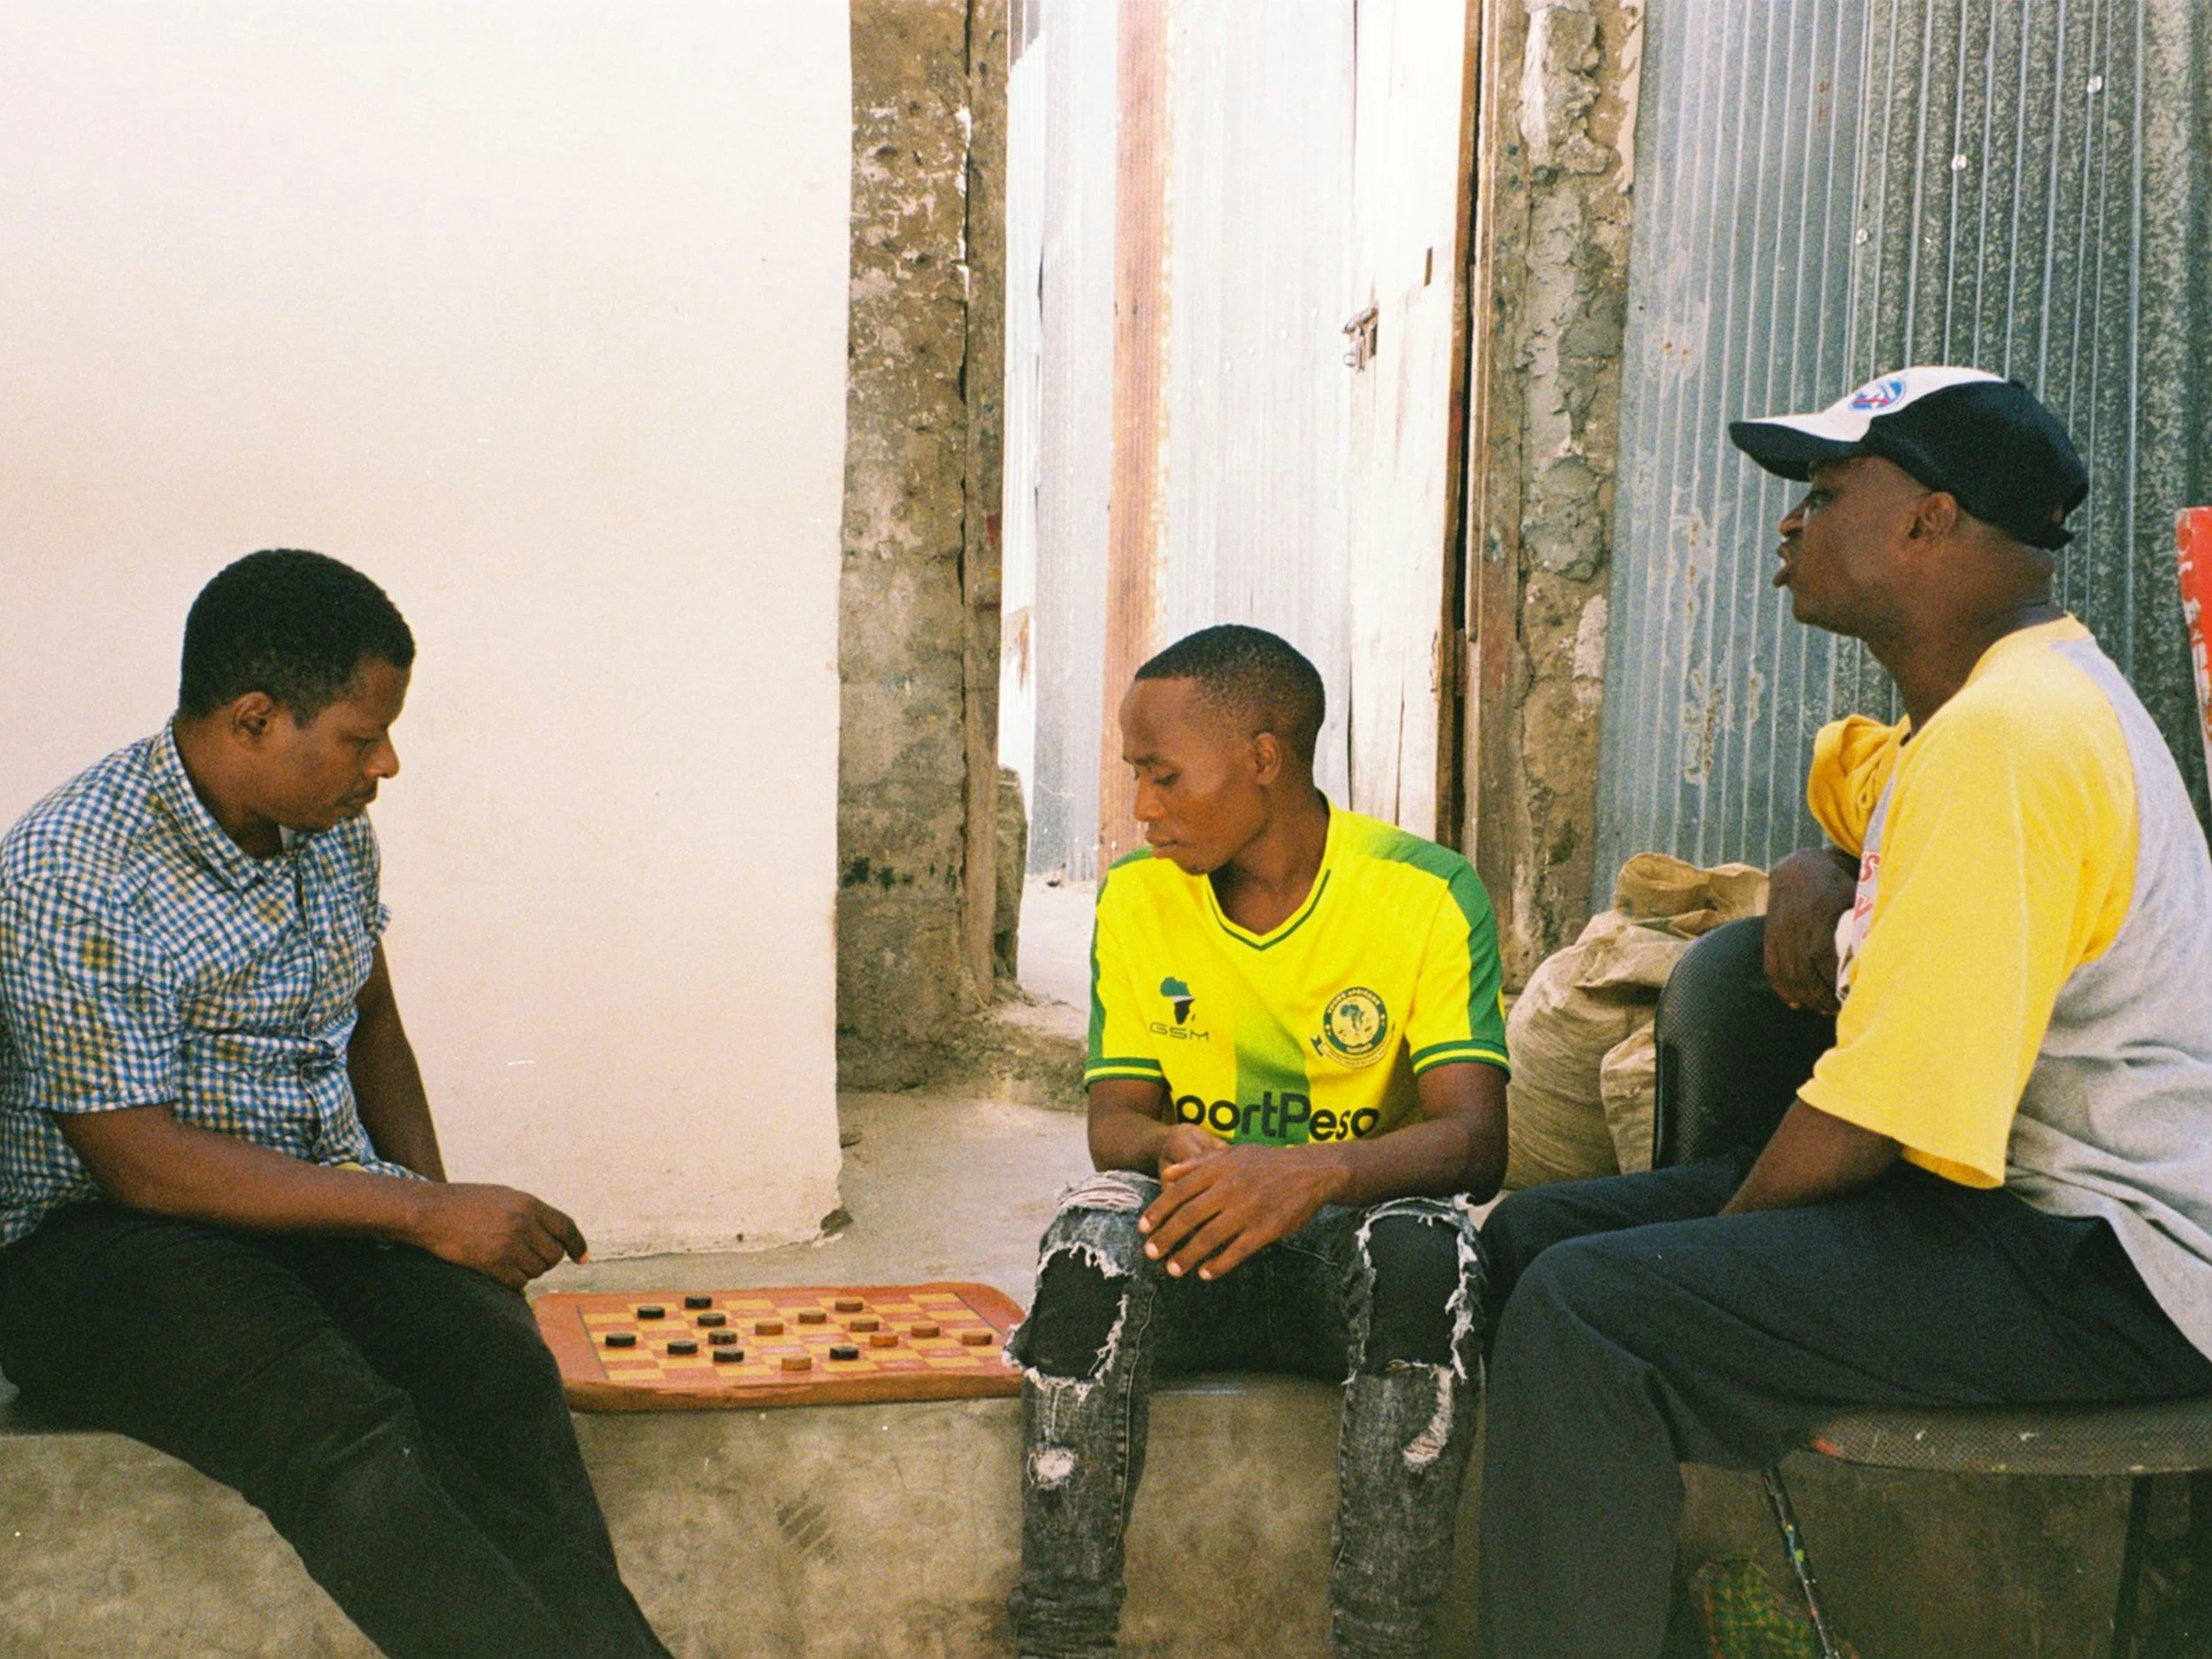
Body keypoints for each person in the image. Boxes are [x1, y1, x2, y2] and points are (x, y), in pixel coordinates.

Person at [1473, 367, 2212, 1657]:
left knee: (1595, 1306)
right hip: (2031, 1218)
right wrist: (1822, 862)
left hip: (2118, 1267)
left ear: (1930, 522)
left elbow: (1881, 1115)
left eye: (1823, 492)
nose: (1790, 522)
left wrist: (1704, 1280)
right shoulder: (1997, 704)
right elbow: (1869, 779)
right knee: (1538, 1233)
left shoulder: (2010, 741)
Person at [0, 550, 670, 1659]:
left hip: (310, 1210)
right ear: (254, 718)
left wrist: (435, 1207)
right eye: (362, 737)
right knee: (342, 1430)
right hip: (98, 1251)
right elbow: (140, 1163)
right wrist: (416, 1216)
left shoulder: (328, 822)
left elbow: (374, 1023)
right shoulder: (74, 869)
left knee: (495, 1365)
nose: (388, 764)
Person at [1006, 624, 1511, 1659]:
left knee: (1430, 1248)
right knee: (1086, 1244)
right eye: (1135, 775)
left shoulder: (1425, 890)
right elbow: (1114, 1124)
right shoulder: (1142, 898)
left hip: (1353, 1265)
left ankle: (1381, 1641)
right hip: (1203, 1246)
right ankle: (1063, 1636)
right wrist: (1173, 1150)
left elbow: (1473, 1139)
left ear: (1264, 759)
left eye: (1163, 774)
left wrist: (1309, 1174)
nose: (1142, 805)